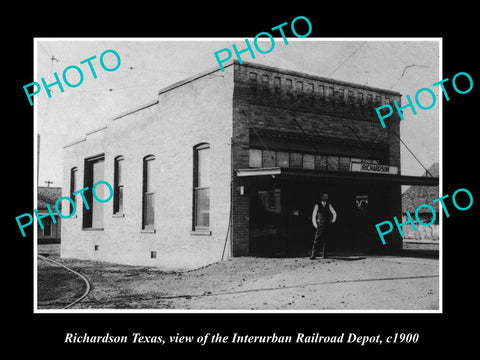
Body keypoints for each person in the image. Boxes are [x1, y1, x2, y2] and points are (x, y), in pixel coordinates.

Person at [310, 193, 337, 259]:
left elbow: (334, 213)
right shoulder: (317, 205)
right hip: (320, 225)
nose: (325, 198)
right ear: (321, 197)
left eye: (326, 197)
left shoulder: (329, 205)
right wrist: (315, 224)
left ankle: (325, 255)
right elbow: (314, 215)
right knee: (316, 240)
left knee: (326, 240)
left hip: (327, 224)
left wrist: (333, 220)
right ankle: (313, 254)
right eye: (324, 196)